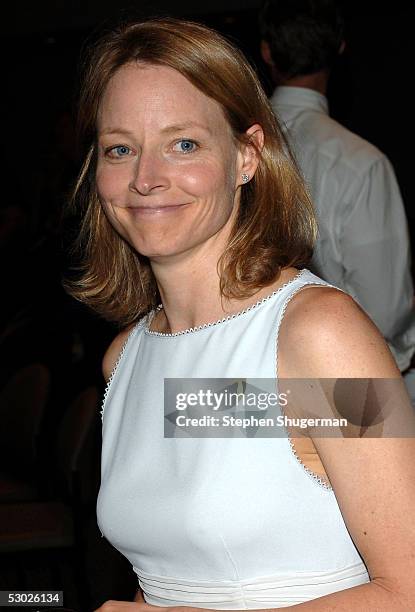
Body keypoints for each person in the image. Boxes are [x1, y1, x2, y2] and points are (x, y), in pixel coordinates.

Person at [65, 17, 415, 610]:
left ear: (247, 157)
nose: (146, 179)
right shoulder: (126, 358)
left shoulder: (322, 338)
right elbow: (189, 556)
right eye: (120, 149)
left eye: (184, 144)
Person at [258, 0, 415, 383]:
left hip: (254, 377)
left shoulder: (233, 151)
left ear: (266, 52)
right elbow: (386, 311)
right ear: (340, 48)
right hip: (350, 381)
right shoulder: (361, 163)